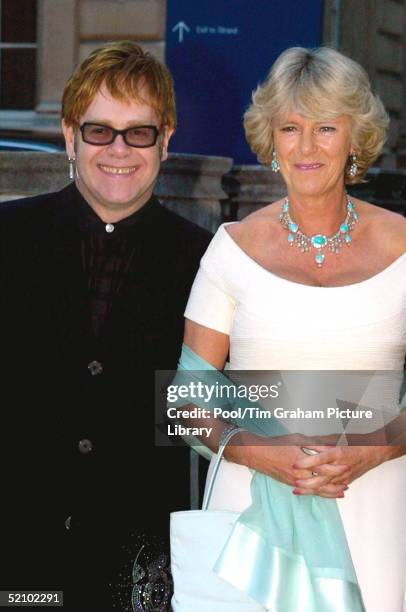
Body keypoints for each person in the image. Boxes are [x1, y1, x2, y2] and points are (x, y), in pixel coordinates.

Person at [178, 47, 406, 611]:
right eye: (290, 127)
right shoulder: (232, 248)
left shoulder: (402, 244)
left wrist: (374, 447)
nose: (306, 147)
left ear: (355, 139)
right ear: (271, 140)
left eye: (325, 127)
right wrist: (259, 451)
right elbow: (185, 399)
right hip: (252, 502)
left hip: (371, 502)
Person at [0, 41, 211, 610]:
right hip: (19, 566)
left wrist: (363, 426)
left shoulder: (209, 262)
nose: (119, 149)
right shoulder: (8, 237)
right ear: (69, 136)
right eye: (99, 131)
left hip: (141, 573)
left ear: (166, 140)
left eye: (138, 132)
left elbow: (233, 402)